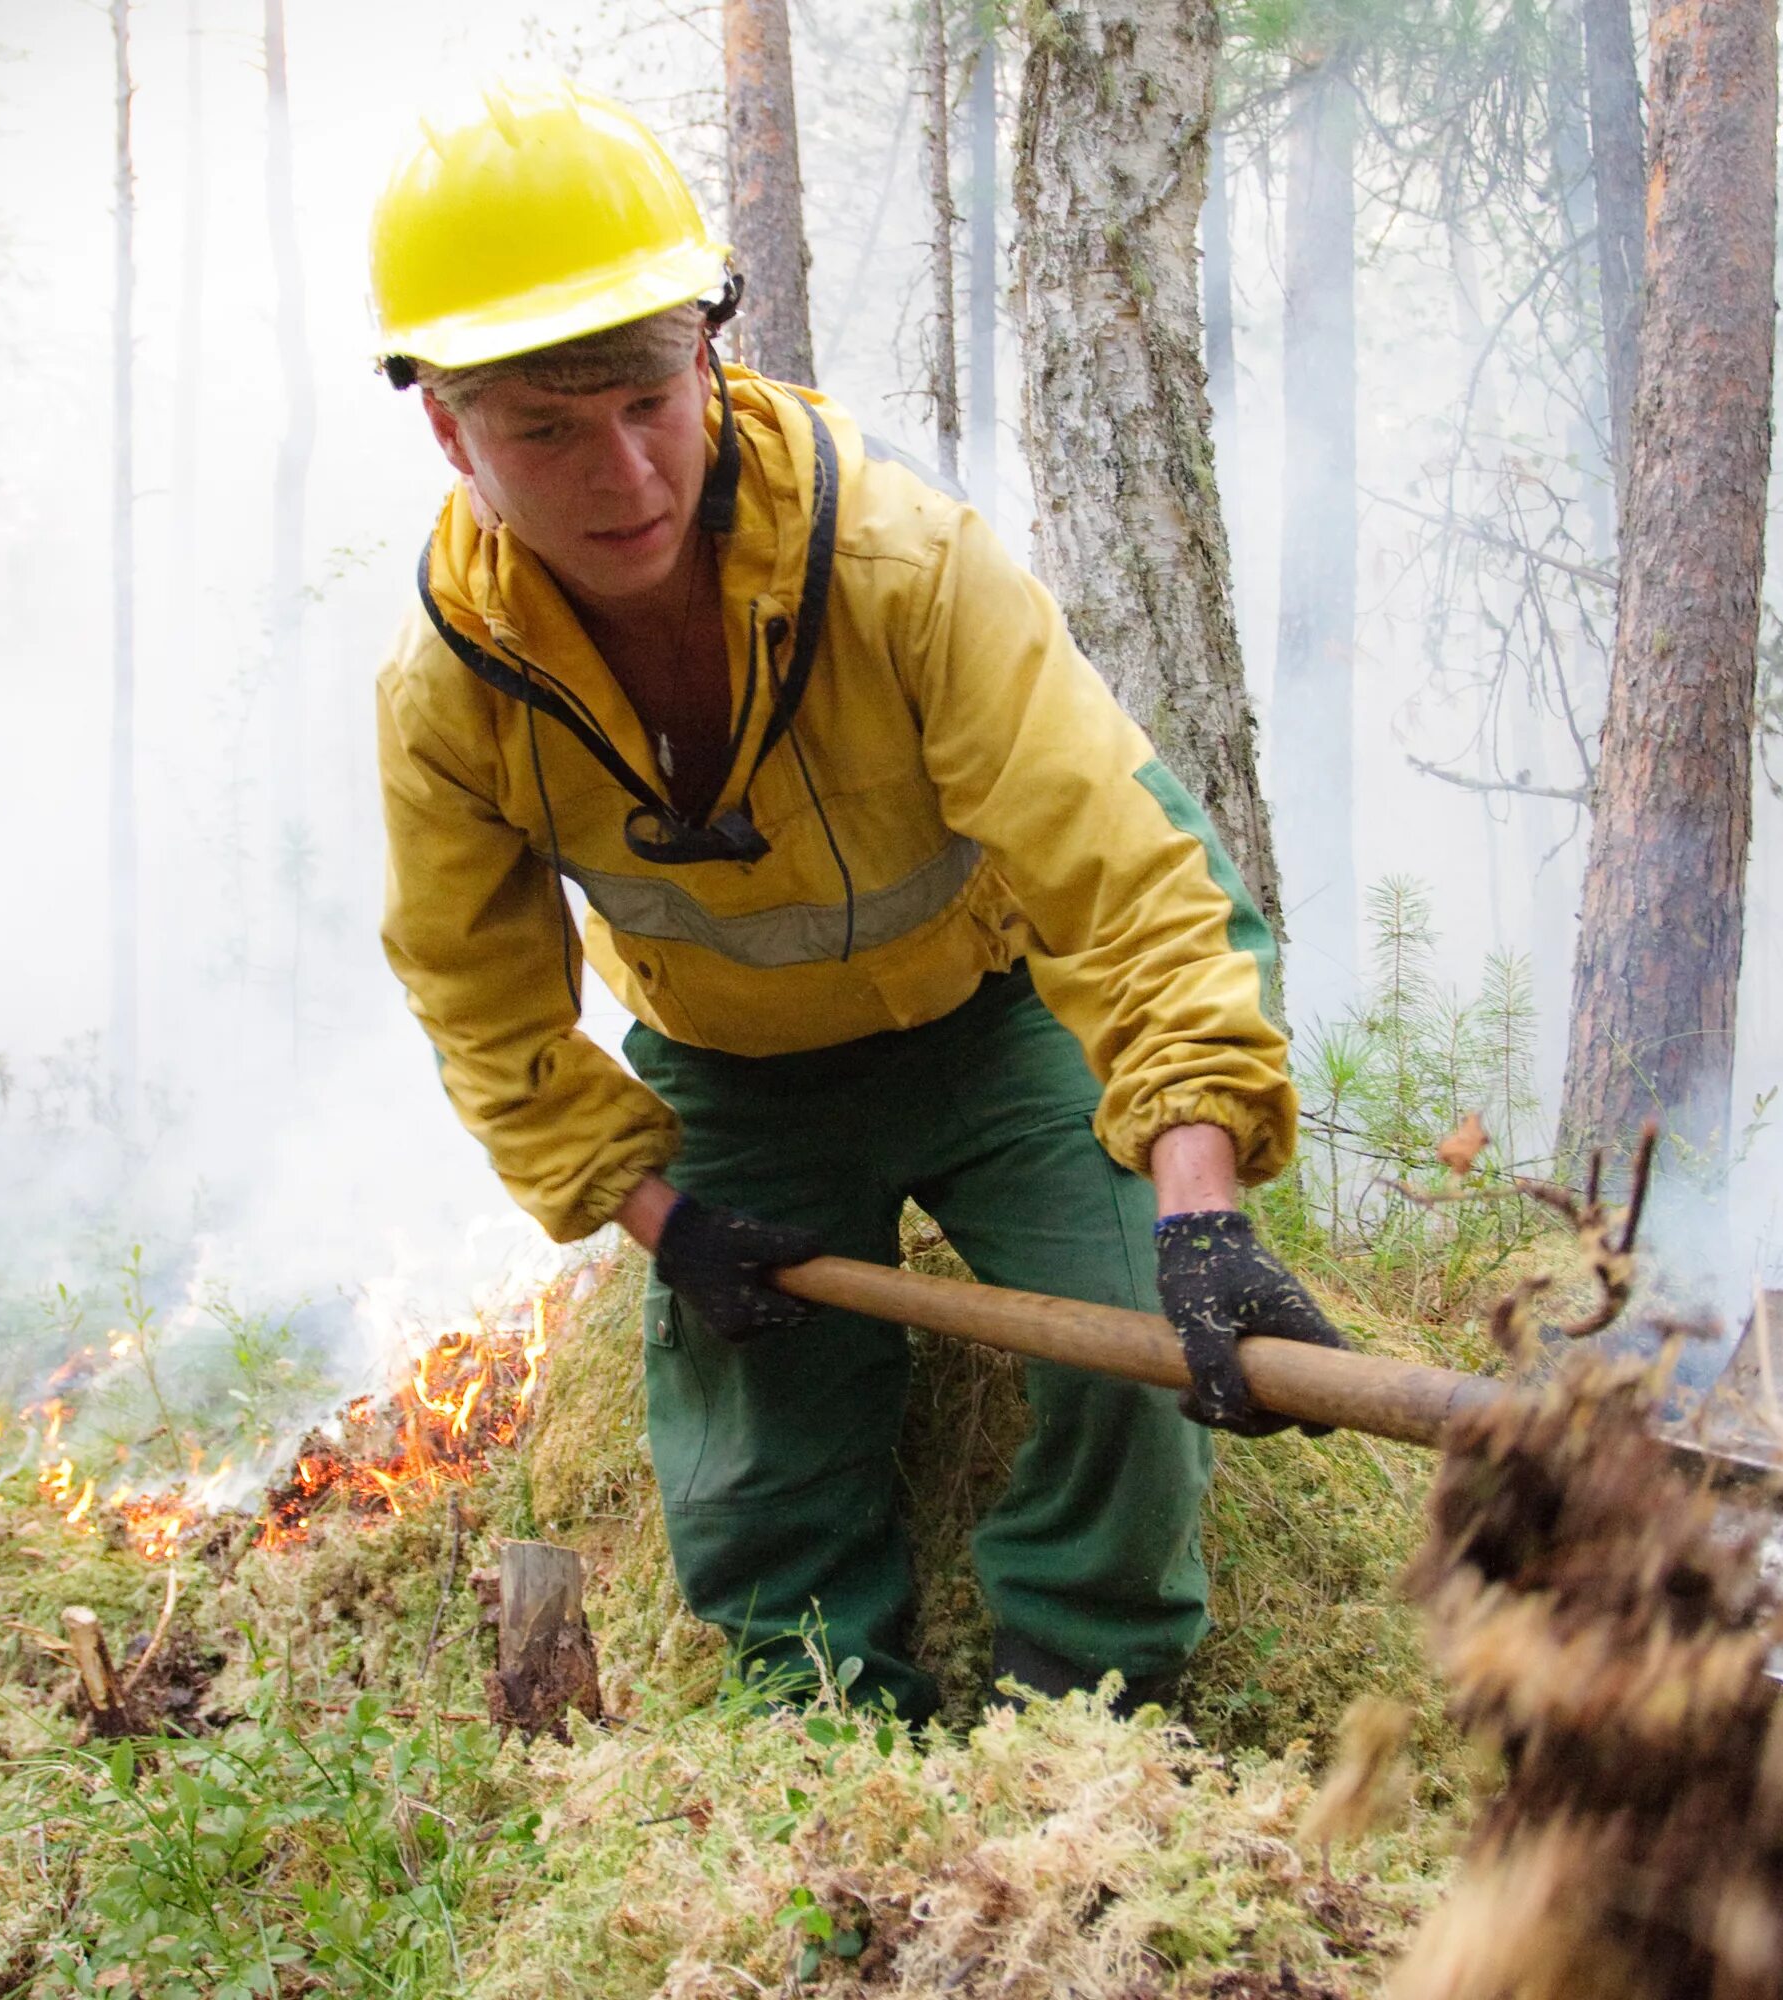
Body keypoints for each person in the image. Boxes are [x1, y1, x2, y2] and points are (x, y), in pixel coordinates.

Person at [367, 76, 1347, 1718]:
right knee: (752, 1453)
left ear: (709, 354)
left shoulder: (901, 568)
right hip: (737, 1081)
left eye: (647, 398)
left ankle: (1081, 1727)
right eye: (545, 427)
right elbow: (485, 1007)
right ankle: (830, 1734)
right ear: (451, 431)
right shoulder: (448, 697)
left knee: (1125, 1344)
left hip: (994, 1025)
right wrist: (663, 1221)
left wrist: (1196, 1202)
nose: (624, 475)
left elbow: (1122, 874)